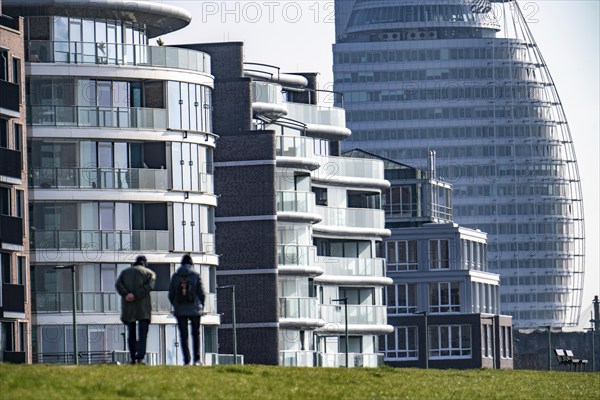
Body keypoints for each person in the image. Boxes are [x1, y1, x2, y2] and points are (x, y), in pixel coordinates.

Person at [116, 255, 155, 365]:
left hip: (129, 308)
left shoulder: (124, 273)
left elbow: (118, 285)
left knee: (131, 334)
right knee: (143, 334)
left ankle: (133, 358)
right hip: (143, 309)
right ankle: (140, 357)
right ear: (144, 263)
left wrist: (127, 294)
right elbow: (148, 287)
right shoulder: (149, 274)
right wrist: (136, 295)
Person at [169, 254, 205, 366]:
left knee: (183, 335)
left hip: (180, 310)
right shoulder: (195, 275)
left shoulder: (175, 276)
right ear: (191, 263)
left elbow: (171, 294)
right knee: (196, 333)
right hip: (195, 310)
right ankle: (197, 359)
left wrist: (175, 305)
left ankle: (186, 360)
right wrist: (201, 305)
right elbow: (201, 293)